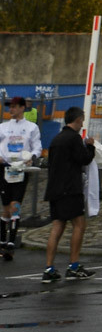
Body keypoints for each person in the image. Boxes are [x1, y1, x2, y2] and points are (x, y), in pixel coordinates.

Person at [41, 107, 96, 283]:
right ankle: (73, 265)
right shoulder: (74, 138)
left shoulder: (56, 139)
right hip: (70, 189)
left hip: (54, 189)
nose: (82, 124)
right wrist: (90, 146)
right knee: (79, 224)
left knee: (57, 227)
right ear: (78, 120)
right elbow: (84, 159)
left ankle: (49, 268)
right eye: (82, 120)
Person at [1, 96, 42, 259]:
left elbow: (37, 147)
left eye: (14, 106)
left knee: (15, 205)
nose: (11, 109)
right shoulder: (3, 127)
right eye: (10, 106)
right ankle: (2, 240)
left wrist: (32, 156)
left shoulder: (31, 127)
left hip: (21, 170)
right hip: (4, 169)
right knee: (6, 208)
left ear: (22, 108)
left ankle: (11, 243)